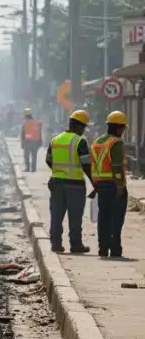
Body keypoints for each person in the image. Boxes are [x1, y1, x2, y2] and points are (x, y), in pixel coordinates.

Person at [45, 109, 96, 254]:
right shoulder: (80, 142)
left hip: (57, 183)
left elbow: (48, 160)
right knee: (75, 216)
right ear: (79, 126)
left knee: (56, 215)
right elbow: (86, 165)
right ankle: (75, 245)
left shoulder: (55, 139)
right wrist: (94, 183)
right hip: (75, 185)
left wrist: (57, 172)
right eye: (84, 127)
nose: (83, 130)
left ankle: (56, 244)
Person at [92, 111, 130, 258]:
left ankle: (102, 248)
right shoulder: (116, 143)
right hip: (114, 185)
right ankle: (115, 249)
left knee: (103, 217)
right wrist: (120, 185)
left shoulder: (97, 142)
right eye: (123, 128)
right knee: (116, 219)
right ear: (119, 128)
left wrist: (95, 184)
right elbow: (117, 166)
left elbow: (94, 165)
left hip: (101, 185)